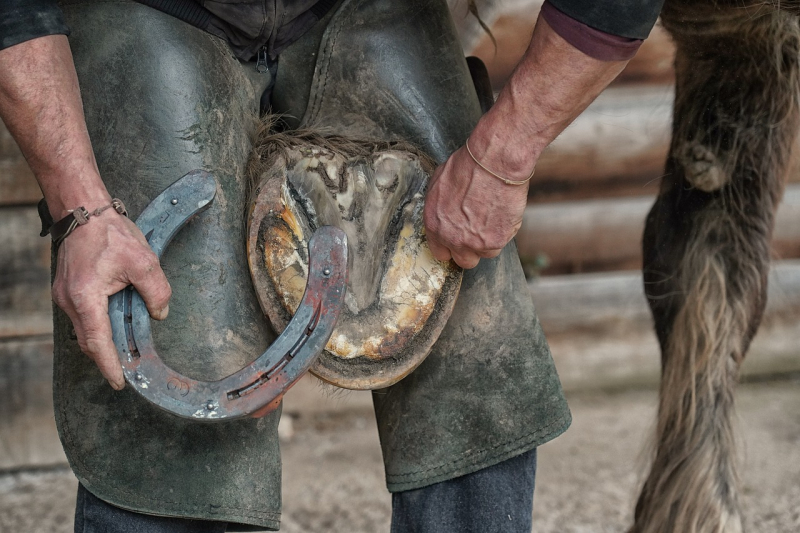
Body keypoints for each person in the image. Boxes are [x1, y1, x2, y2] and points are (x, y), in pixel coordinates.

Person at [0, 0, 663, 531]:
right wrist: (82, 208)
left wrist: (502, 155)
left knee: (474, 363)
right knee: (173, 412)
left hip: (371, 11)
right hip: (154, 10)